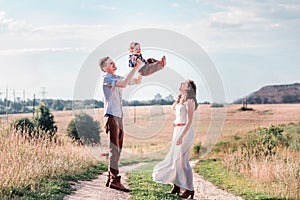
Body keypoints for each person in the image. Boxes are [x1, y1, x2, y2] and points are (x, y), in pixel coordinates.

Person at [99, 56, 143, 192]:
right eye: (110, 63)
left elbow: (136, 81)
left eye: (113, 62)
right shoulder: (106, 78)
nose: (113, 63)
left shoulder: (117, 77)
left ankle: (110, 178)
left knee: (117, 149)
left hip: (118, 116)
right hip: (111, 116)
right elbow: (124, 83)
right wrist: (134, 68)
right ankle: (115, 180)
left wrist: (142, 69)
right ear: (104, 68)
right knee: (114, 149)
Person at [152, 80, 198, 199]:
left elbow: (189, 122)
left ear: (188, 88)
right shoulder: (181, 100)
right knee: (175, 160)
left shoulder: (190, 101)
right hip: (177, 130)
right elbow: (173, 108)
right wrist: (178, 99)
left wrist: (181, 136)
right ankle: (177, 185)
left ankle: (190, 189)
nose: (180, 84)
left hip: (185, 132)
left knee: (183, 162)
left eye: (183, 84)